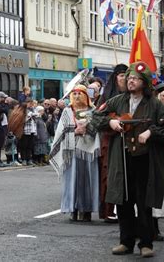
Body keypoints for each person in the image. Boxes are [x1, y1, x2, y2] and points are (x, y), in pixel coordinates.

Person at [91, 62, 164, 258]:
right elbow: (95, 117)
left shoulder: (155, 104)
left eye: (134, 78)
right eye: (129, 78)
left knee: (144, 202)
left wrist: (151, 132)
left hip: (145, 159)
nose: (130, 81)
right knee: (123, 200)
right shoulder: (117, 101)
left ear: (144, 82)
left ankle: (146, 243)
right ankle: (125, 241)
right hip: (122, 157)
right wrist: (110, 121)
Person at [51, 84, 100, 223]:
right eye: (75, 93)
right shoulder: (67, 111)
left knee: (88, 180)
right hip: (71, 150)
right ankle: (72, 209)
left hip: (88, 149)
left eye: (80, 93)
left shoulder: (93, 110)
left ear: (85, 95)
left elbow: (98, 129)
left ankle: (86, 211)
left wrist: (87, 128)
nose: (77, 96)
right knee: (72, 180)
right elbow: (60, 131)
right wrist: (74, 130)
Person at [97, 63, 128, 223]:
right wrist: (111, 121)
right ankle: (109, 210)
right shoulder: (107, 97)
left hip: (129, 140)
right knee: (109, 176)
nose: (124, 79)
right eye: (121, 75)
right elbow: (97, 116)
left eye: (126, 75)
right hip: (110, 140)